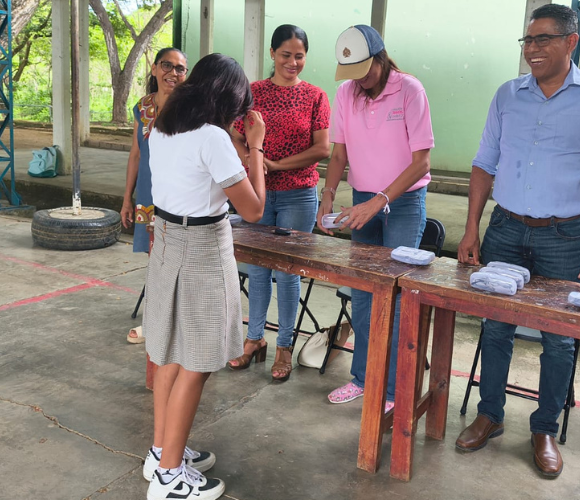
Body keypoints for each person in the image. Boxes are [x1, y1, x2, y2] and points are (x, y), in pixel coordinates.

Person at [454, 4, 580, 477]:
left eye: (543, 40)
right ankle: (490, 414)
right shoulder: (508, 94)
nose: (532, 50)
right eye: (527, 41)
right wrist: (472, 226)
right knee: (495, 326)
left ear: (571, 42)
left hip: (565, 235)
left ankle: (544, 427)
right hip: (506, 227)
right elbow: (484, 161)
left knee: (559, 338)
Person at [142, 53, 267, 500]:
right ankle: (169, 480)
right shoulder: (212, 136)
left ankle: (162, 454)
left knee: (171, 355)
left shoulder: (161, 127)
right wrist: (255, 144)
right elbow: (253, 210)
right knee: (196, 364)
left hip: (167, 239)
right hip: (202, 250)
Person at [316, 25, 434, 412]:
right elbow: (338, 156)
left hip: (402, 202)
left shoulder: (409, 90)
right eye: (352, 74)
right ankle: (363, 378)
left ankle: (392, 391)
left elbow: (421, 163)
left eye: (366, 71)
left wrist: (380, 200)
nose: (360, 81)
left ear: (381, 59)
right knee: (364, 294)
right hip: (362, 200)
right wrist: (328, 197)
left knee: (396, 297)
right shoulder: (346, 93)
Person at [227, 24, 331, 381]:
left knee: (288, 273)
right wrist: (251, 159)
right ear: (272, 54)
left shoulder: (316, 96)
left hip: (298, 192)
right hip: (258, 192)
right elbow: (235, 134)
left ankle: (285, 344)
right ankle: (254, 339)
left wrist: (275, 164)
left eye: (299, 56)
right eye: (286, 55)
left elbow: (322, 148)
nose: (293, 62)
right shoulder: (253, 93)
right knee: (257, 270)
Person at [120, 47, 188, 344]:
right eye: (166, 65)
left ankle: (171, 322)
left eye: (180, 68)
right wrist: (127, 198)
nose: (173, 73)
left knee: (178, 261)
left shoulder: (190, 108)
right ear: (154, 69)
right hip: (147, 196)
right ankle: (156, 320)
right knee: (155, 260)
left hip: (179, 196)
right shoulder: (143, 106)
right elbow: (136, 154)